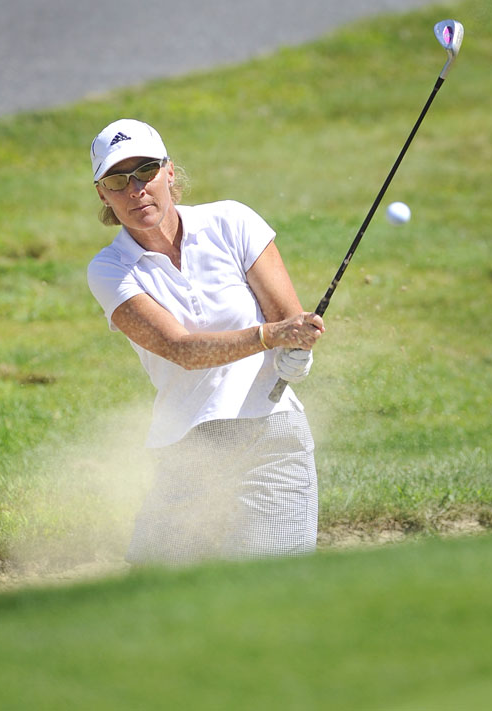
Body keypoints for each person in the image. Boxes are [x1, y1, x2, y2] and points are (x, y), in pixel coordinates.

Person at [86, 118, 324, 565]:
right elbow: (181, 350)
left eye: (146, 171)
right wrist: (271, 336)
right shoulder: (110, 269)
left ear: (169, 172)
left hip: (269, 438)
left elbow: (288, 320)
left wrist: (295, 351)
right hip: (186, 453)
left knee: (270, 595)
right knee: (153, 599)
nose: (136, 189)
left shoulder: (232, 222)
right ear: (102, 193)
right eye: (118, 180)